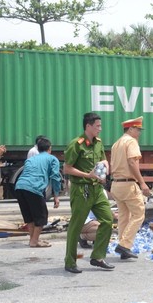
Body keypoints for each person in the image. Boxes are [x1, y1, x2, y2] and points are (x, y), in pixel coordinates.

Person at [63, 112, 114, 273]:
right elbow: (67, 168)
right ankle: (70, 262)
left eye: (100, 125)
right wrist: (88, 175)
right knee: (76, 226)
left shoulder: (98, 143)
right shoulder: (76, 144)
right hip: (81, 189)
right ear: (88, 126)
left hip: (97, 189)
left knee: (107, 220)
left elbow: (103, 159)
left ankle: (97, 257)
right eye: (97, 126)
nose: (100, 129)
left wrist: (105, 168)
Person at [110, 116, 152, 260]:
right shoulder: (131, 142)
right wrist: (142, 183)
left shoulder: (117, 143)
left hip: (116, 184)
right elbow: (132, 163)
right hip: (128, 184)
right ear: (131, 129)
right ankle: (124, 245)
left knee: (123, 216)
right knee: (139, 214)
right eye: (138, 130)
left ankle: (123, 246)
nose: (139, 133)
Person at [14, 137, 61, 248]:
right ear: (50, 148)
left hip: (19, 187)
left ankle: (34, 240)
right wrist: (56, 196)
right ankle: (34, 241)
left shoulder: (30, 159)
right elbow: (55, 177)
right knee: (41, 217)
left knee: (29, 216)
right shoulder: (52, 159)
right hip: (34, 187)